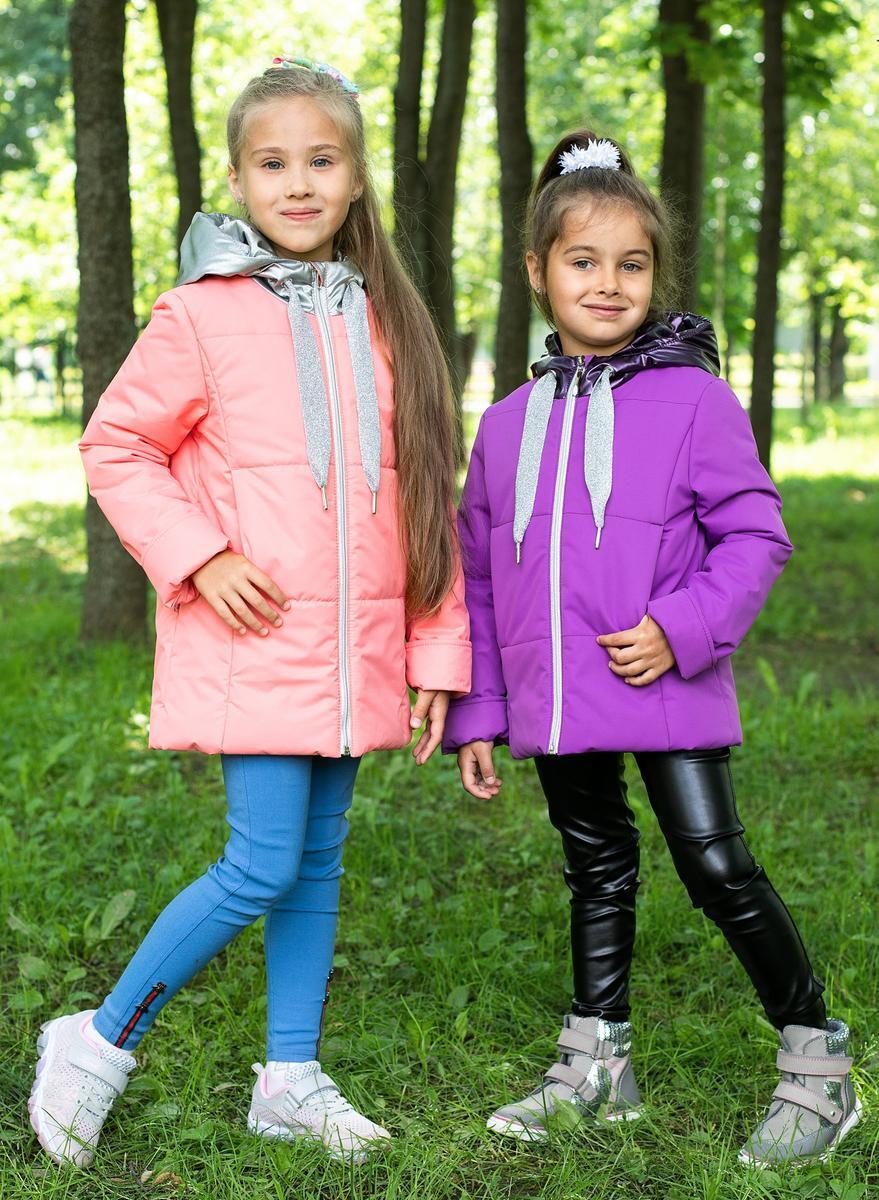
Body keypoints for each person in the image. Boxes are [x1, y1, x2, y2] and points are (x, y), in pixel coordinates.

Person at [28, 55, 471, 1170]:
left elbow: (429, 496)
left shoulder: (392, 321)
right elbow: (117, 446)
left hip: (357, 650)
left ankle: (289, 1078)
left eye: (322, 160)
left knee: (315, 864)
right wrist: (201, 555)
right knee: (262, 864)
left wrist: (435, 646)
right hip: (257, 641)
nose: (299, 183)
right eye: (273, 163)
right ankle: (95, 1038)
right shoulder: (200, 315)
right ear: (236, 178)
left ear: (357, 176)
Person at [443, 130, 859, 1169]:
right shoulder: (504, 424)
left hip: (666, 681)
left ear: (656, 275)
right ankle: (599, 1065)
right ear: (536, 270)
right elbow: (479, 576)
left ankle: (818, 1063)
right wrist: (479, 709)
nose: (607, 283)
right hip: (555, 695)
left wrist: (681, 629)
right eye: (582, 260)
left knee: (716, 864)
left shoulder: (694, 400)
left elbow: (756, 534)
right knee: (596, 866)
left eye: (631, 264)